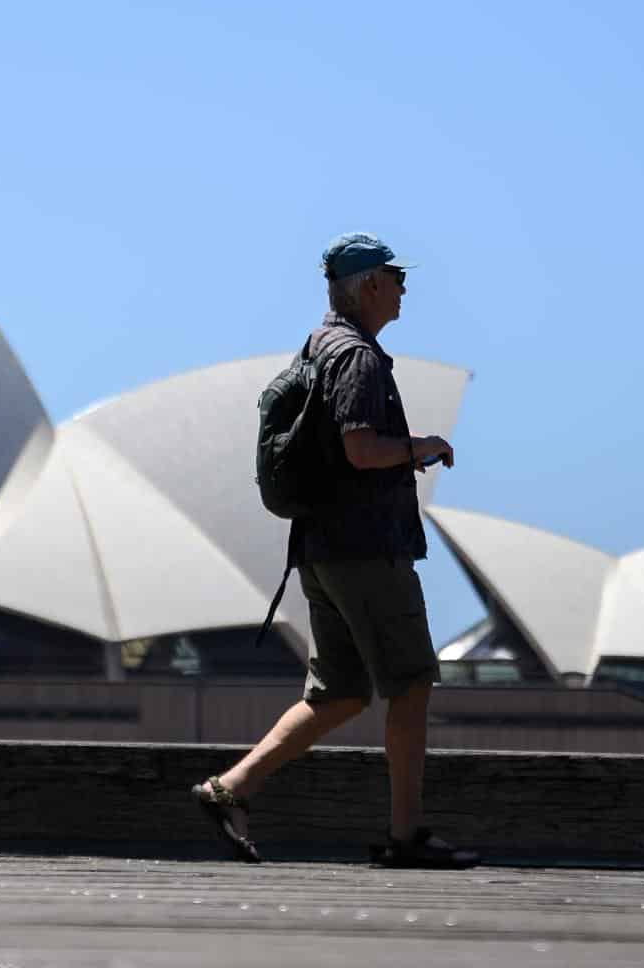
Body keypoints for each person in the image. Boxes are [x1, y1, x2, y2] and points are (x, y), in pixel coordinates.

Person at [193, 232, 478, 868]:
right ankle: (407, 838)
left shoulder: (319, 345)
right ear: (369, 285)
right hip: (365, 550)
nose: (404, 288)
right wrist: (422, 444)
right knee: (409, 685)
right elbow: (359, 448)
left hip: (321, 548)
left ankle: (229, 789)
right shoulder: (359, 358)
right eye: (396, 276)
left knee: (341, 691)